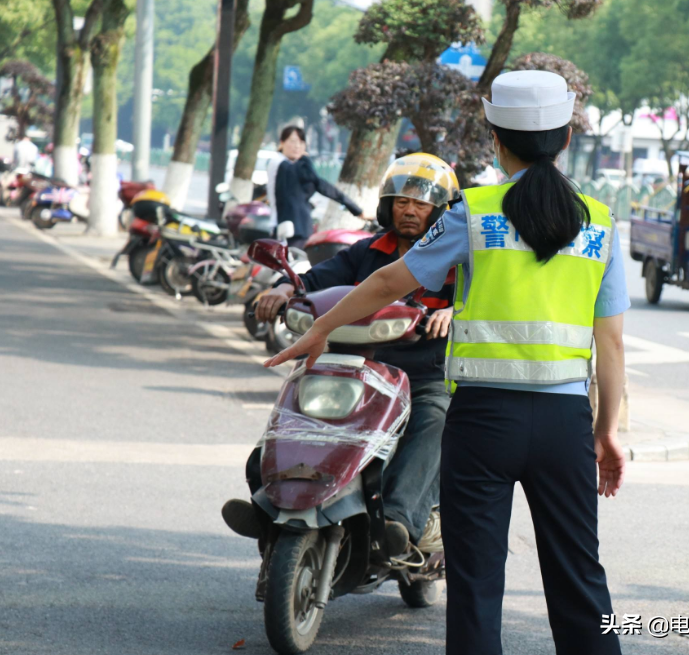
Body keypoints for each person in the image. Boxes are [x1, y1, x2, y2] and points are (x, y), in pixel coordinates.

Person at [261, 71, 629, 655]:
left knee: (478, 584)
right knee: (581, 579)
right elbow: (610, 345)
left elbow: (387, 279)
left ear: (495, 138)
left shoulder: (474, 213)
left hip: (483, 421)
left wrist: (323, 327)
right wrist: (607, 432)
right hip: (564, 426)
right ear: (563, 139)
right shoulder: (601, 223)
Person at [223, 152, 461, 557]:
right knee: (293, 408)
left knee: (435, 419)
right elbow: (316, 278)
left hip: (424, 374)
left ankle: (397, 522)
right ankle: (268, 504)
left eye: (420, 204)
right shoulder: (366, 252)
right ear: (388, 206)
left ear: (439, 211)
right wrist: (283, 290)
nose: (409, 211)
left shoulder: (456, 258)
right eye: (401, 202)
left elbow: (485, 299)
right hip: (356, 368)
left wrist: (455, 311)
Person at [266, 126, 365, 248]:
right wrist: (305, 158)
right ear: (281, 143)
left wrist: (355, 208)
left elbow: (321, 185)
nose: (297, 146)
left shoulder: (293, 169)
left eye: (301, 142)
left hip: (297, 229)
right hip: (290, 231)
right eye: (292, 141)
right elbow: (315, 179)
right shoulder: (281, 164)